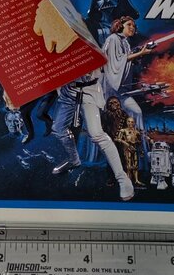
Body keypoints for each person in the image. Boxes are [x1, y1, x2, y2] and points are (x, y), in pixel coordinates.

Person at [51, 70, 135, 201]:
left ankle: (122, 178)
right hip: (68, 90)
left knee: (96, 134)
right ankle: (73, 160)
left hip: (88, 92)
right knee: (58, 128)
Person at [102, 16, 152, 131]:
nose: (132, 27)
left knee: (137, 112)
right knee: (105, 119)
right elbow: (117, 61)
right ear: (120, 26)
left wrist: (138, 55)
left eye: (134, 26)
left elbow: (125, 61)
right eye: (129, 24)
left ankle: (140, 140)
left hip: (121, 88)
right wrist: (139, 53)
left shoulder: (125, 43)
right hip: (110, 88)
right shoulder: (113, 39)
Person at [115, 117, 145, 188]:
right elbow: (117, 139)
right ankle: (128, 181)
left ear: (134, 123)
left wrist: (141, 151)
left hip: (134, 148)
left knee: (135, 165)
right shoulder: (123, 130)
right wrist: (126, 144)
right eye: (129, 121)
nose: (130, 123)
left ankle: (136, 180)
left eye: (132, 122)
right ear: (126, 122)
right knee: (128, 165)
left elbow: (139, 142)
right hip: (127, 148)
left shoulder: (136, 132)